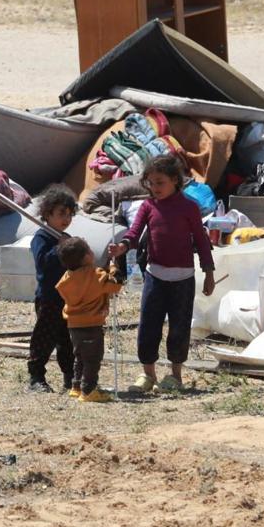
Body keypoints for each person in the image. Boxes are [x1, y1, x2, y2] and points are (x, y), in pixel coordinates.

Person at [108, 155, 214, 394]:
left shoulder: (189, 207)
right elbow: (134, 233)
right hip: (154, 277)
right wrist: (122, 247)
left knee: (179, 328)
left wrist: (209, 272)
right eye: (151, 183)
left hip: (183, 279)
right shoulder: (148, 206)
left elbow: (201, 240)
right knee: (148, 326)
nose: (155, 188)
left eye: (160, 183)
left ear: (175, 180)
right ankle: (148, 374)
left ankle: (175, 375)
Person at [55, 237, 123, 403]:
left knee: (80, 356)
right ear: (86, 257)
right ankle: (89, 390)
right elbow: (116, 285)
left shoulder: (66, 277)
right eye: (90, 250)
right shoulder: (96, 275)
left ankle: (76, 386)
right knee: (93, 359)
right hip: (92, 324)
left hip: (73, 324)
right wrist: (114, 268)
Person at [27, 184, 78, 393]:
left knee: (68, 340)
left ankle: (70, 376)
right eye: (61, 214)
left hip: (67, 297)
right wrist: (60, 248)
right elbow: (43, 263)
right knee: (44, 338)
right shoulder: (42, 238)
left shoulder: (65, 237)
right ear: (48, 214)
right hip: (49, 298)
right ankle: (36, 377)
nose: (66, 219)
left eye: (69, 214)